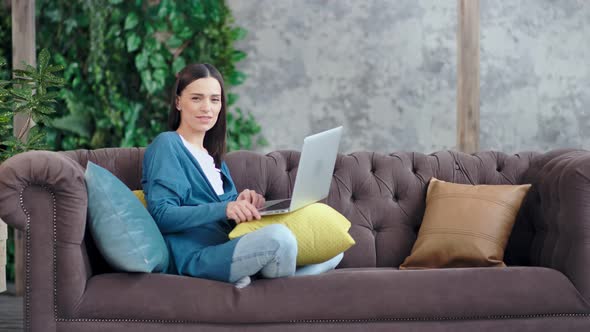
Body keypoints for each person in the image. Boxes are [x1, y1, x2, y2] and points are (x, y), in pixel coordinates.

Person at [141, 63, 343, 288]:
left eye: (214, 99)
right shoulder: (167, 145)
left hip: (229, 245)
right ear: (179, 102)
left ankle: (260, 282)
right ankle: (274, 287)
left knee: (334, 250)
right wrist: (225, 208)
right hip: (198, 257)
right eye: (197, 98)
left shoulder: (213, 158)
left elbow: (222, 214)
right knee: (280, 237)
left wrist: (241, 204)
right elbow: (162, 214)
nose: (207, 107)